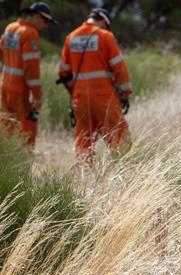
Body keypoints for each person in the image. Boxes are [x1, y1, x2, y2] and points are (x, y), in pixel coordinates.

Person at [58, 8, 132, 162]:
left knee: (84, 141)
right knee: (119, 137)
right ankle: (122, 174)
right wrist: (125, 93)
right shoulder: (105, 36)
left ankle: (85, 178)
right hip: (104, 97)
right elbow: (119, 68)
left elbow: (64, 73)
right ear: (103, 21)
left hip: (80, 98)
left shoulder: (71, 37)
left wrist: (76, 93)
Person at [0, 2, 56, 146]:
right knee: (26, 134)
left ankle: (7, 164)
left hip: (4, 87)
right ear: (37, 17)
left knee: (7, 132)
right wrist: (37, 97)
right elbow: (31, 70)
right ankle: (23, 166)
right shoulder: (30, 34)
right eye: (46, 21)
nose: (47, 25)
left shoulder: (10, 28)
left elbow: (3, 51)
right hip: (20, 92)